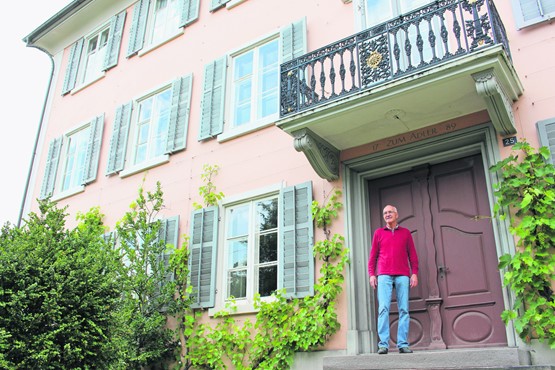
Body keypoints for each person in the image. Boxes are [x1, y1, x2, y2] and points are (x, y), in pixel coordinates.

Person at [368, 205, 419, 354]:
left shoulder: (405, 233)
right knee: (383, 308)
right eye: (385, 213)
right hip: (383, 275)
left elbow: (413, 256)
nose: (387, 214)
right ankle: (383, 344)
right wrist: (372, 274)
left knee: (404, 309)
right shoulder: (378, 233)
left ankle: (402, 344)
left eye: (390, 212)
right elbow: (373, 256)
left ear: (396, 214)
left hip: (403, 275)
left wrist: (414, 273)